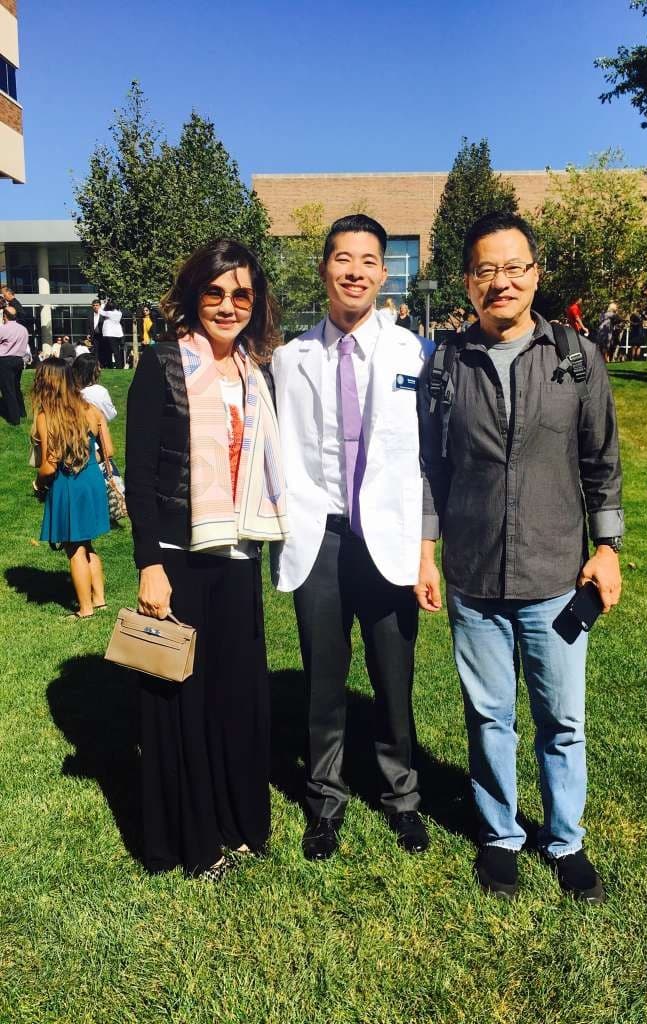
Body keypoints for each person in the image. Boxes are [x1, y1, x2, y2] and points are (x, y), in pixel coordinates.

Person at [417, 211, 623, 903]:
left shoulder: (574, 357)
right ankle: (501, 835)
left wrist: (608, 547)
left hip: (557, 576)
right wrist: (427, 551)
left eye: (513, 268)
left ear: (535, 274)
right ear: (468, 283)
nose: (499, 282)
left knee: (562, 719)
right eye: (485, 270)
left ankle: (565, 841)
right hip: (474, 575)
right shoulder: (445, 364)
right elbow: (429, 468)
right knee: (489, 716)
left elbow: (601, 460)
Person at [271, 214, 433, 861]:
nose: (356, 271)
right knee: (322, 681)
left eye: (370, 260)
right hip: (321, 541)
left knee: (394, 678)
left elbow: (427, 461)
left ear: (383, 271)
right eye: (344, 259)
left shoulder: (413, 354)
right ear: (324, 269)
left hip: (389, 541)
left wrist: (427, 549)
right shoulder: (290, 359)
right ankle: (325, 800)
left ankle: (402, 797)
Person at [125, 238, 288, 881]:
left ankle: (239, 823)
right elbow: (139, 475)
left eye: (241, 293)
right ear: (195, 296)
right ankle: (193, 843)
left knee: (236, 696)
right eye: (214, 292)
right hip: (179, 557)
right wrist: (149, 565)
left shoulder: (254, 372)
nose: (227, 305)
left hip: (239, 553)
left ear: (256, 301)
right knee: (181, 700)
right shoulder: (162, 365)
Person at [31, 358, 111, 617]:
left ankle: (85, 609)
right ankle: (99, 599)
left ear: (45, 383)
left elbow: (49, 465)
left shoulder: (47, 416)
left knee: (73, 547)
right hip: (92, 481)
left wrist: (38, 483)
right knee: (87, 544)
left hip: (68, 485)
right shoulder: (90, 408)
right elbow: (109, 450)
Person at [0, 306, 29, 425]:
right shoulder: (23, 329)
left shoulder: (3, 329)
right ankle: (22, 412)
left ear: (4, 316)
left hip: (5, 360)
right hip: (19, 360)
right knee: (16, 387)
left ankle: (14, 419)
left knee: (8, 389)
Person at [72, 353, 117, 422]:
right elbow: (110, 414)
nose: (100, 369)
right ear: (93, 371)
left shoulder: (67, 389)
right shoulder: (99, 391)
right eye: (98, 367)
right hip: (94, 429)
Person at [100, 302, 125, 368]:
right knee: (116, 351)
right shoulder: (119, 313)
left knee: (109, 351)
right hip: (117, 334)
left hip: (109, 334)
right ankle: (119, 366)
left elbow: (100, 311)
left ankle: (111, 366)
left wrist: (103, 304)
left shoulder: (109, 313)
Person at [86, 299, 107, 367]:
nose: (95, 307)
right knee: (96, 351)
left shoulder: (103, 314)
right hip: (94, 336)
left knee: (103, 350)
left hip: (102, 335)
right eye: (94, 305)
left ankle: (104, 365)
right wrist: (88, 334)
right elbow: (88, 326)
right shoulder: (90, 315)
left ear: (100, 306)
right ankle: (97, 365)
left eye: (97, 305)